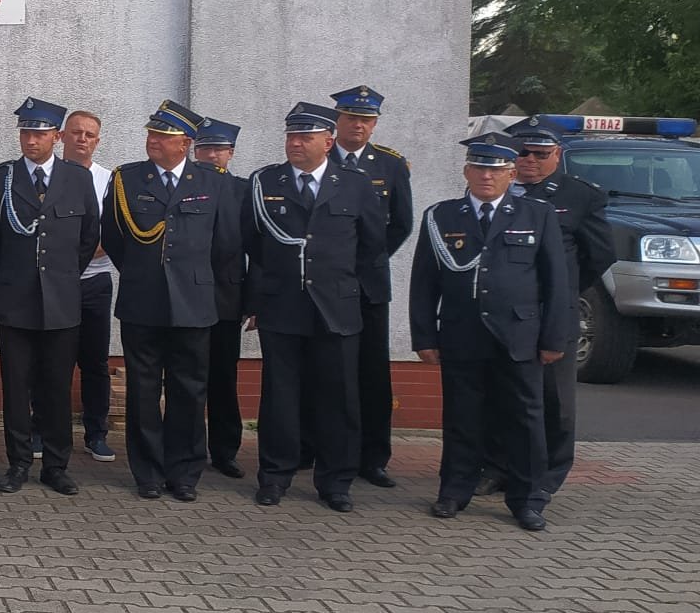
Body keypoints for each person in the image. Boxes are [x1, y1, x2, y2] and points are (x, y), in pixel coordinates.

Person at [410, 132, 570, 531]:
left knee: (525, 419)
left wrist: (554, 338)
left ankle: (527, 499)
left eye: (496, 170)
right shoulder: (442, 216)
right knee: (462, 416)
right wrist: (424, 336)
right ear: (466, 171)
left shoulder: (536, 214)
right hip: (462, 333)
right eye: (479, 168)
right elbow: (424, 282)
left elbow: (556, 282)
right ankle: (454, 491)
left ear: (511, 174)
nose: (486, 176)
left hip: (519, 335)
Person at [241, 103, 385, 511]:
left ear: (328, 142)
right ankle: (275, 476)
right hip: (283, 305)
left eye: (305, 137)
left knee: (339, 397)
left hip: (336, 307)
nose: (296, 144)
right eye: (291, 136)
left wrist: (342, 285)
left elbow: (371, 246)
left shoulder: (355, 185)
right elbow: (252, 240)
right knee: (280, 397)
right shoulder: (264, 181)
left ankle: (336, 481)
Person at [100, 99, 241, 502]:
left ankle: (184, 473)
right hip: (143, 301)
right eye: (151, 133)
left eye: (163, 136)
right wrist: (143, 273)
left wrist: (195, 280)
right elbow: (113, 237)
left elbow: (226, 244)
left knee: (189, 391)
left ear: (186, 143)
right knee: (143, 392)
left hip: (194, 303)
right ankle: (147, 472)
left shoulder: (212, 181)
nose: (153, 140)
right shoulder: (128, 179)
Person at [476, 116, 615, 499]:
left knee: (554, 402)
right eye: (523, 153)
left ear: (557, 154)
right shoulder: (494, 189)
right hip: (502, 315)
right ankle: (496, 467)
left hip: (551, 316)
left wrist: (561, 292)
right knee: (498, 395)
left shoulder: (579, 196)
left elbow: (599, 255)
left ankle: (545, 477)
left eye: (541, 154)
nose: (530, 161)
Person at [0, 97, 100, 496]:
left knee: (56, 387)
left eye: (39, 133)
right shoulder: (2, 178)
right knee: (16, 388)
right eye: (25, 133)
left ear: (57, 136)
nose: (31, 141)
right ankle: (18, 463)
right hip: (16, 300)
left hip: (61, 302)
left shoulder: (77, 178)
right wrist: (17, 276)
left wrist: (61, 277)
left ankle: (56, 465)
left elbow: (88, 236)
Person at [328, 85, 414, 489]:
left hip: (369, 285)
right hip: (326, 285)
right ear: (337, 121)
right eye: (351, 118)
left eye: (366, 120)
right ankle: (315, 447)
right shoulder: (319, 158)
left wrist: (366, 260)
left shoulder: (391, 165)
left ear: (375, 124)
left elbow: (401, 223)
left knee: (373, 373)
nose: (358, 125)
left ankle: (373, 457)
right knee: (325, 369)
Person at [191, 117, 250, 478]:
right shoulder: (184, 185)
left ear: (231, 153)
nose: (212, 155)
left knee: (223, 378)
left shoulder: (243, 191)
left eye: (219, 149)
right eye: (205, 148)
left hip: (227, 297)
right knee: (188, 377)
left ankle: (225, 451)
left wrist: (253, 302)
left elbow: (258, 248)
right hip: (186, 297)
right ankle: (189, 449)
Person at [62, 110, 117, 463]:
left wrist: (77, 256)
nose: (82, 138)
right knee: (51, 360)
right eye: (76, 132)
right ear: (62, 136)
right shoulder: (49, 175)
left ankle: (96, 433)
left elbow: (112, 232)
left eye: (89, 134)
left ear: (97, 141)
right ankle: (43, 429)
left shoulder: (109, 180)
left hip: (95, 280)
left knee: (95, 362)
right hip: (55, 283)